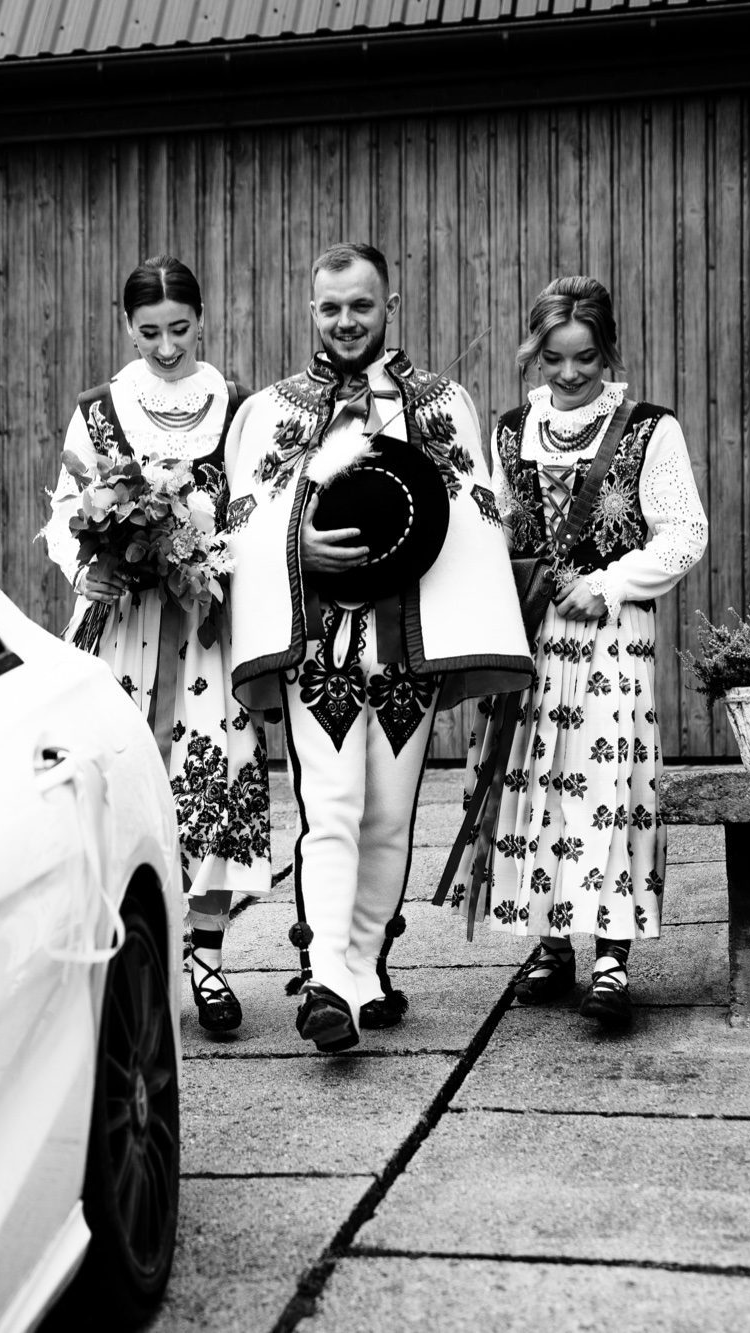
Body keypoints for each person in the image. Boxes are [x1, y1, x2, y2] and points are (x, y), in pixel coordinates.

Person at [222, 242, 533, 1052]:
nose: (346, 321)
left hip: (407, 644)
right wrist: (297, 546)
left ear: (388, 305)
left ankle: (363, 968)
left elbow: (475, 510)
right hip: (318, 643)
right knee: (331, 807)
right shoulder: (271, 411)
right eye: (331, 307)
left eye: (361, 305)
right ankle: (325, 977)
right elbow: (241, 518)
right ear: (311, 310)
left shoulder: (442, 402)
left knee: (390, 816)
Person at [449, 275, 708, 1030]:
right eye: (554, 358)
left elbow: (684, 533)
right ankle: (553, 942)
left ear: (608, 352)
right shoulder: (510, 433)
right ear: (536, 353)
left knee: (606, 784)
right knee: (539, 785)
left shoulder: (649, 430)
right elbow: (495, 531)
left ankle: (612, 957)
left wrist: (611, 583)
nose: (569, 374)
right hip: (531, 639)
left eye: (585, 358)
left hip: (610, 640)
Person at [43, 254, 271, 1034]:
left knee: (215, 775)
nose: (167, 347)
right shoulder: (100, 411)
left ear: (201, 319)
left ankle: (207, 958)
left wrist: (214, 549)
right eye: (149, 333)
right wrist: (87, 566)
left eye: (180, 328)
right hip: (125, 628)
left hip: (205, 627)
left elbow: (257, 506)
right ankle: (130, 960)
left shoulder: (236, 406)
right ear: (126, 326)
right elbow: (65, 509)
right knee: (122, 781)